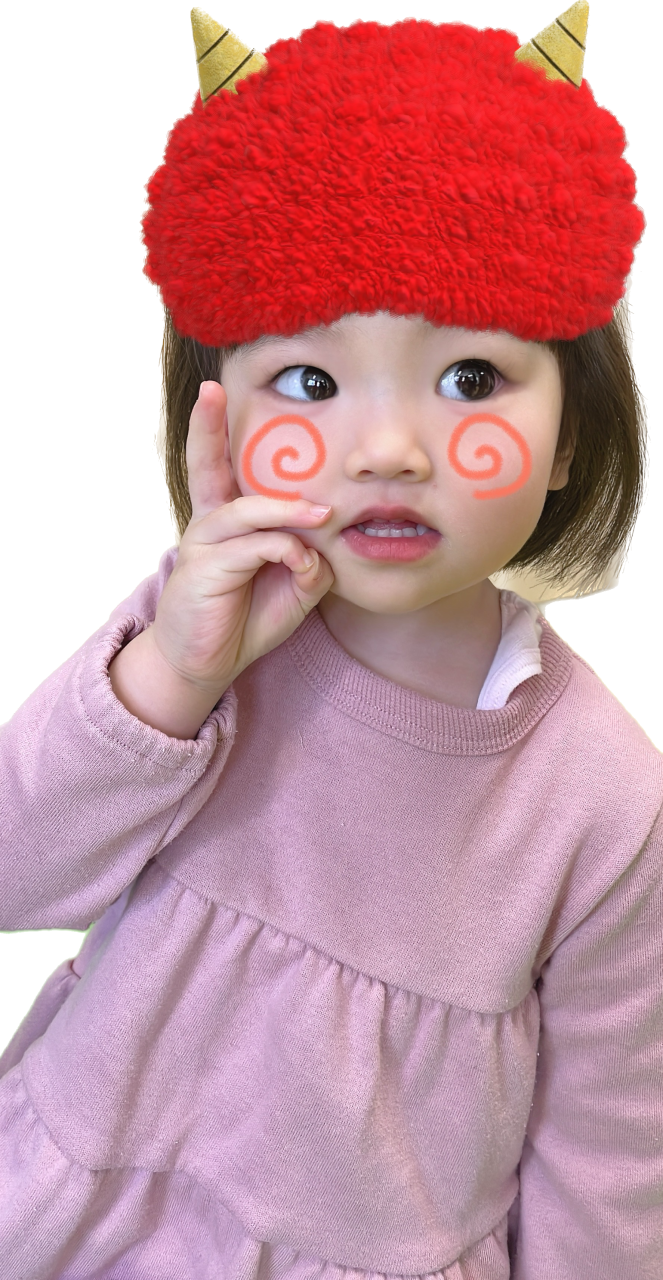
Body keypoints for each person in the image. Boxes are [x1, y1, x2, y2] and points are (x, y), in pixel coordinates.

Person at [1, 9, 660, 1279]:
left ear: (572, 432)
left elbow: (609, 1160)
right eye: (311, 382)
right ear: (218, 413)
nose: (390, 450)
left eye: (471, 378)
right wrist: (170, 680)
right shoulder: (197, 639)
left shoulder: (606, 796)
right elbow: (12, 872)